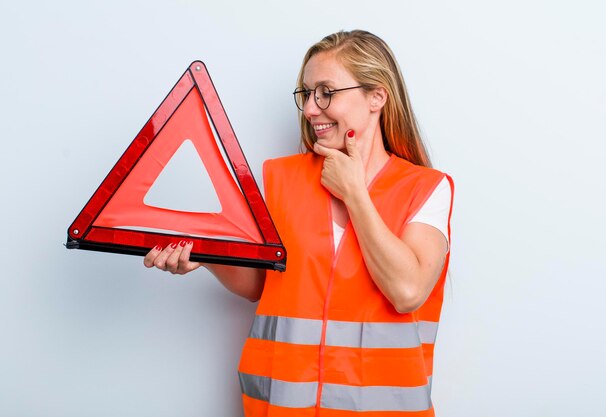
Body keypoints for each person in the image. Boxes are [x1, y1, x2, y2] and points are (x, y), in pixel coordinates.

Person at [144, 29, 453, 417]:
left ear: (377, 97)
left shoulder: (426, 188)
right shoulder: (280, 180)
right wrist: (206, 257)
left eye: (325, 92)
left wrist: (355, 194)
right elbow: (261, 284)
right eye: (306, 94)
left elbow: (407, 290)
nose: (309, 109)